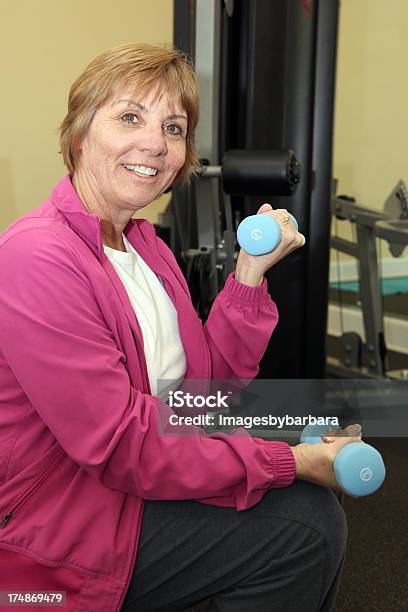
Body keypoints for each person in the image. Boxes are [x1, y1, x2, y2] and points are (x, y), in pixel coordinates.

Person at [0, 43, 361, 612]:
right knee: (305, 528)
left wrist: (248, 275)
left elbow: (202, 395)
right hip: (58, 527)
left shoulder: (146, 247)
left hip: (128, 487)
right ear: (78, 133)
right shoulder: (36, 256)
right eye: (129, 117)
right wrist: (287, 460)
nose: (155, 143)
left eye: (173, 127)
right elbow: (122, 442)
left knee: (308, 501)